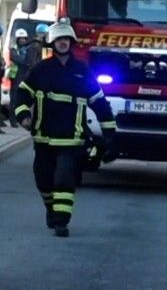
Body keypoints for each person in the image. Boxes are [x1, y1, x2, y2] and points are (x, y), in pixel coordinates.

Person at [12, 19, 116, 237]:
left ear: (72, 42)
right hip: (44, 136)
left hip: (72, 137)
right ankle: (52, 208)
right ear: (52, 42)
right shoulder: (41, 69)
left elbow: (98, 101)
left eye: (66, 39)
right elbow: (23, 94)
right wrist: (23, 115)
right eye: (59, 39)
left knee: (64, 177)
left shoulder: (82, 70)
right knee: (43, 179)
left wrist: (109, 133)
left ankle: (61, 221)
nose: (63, 43)